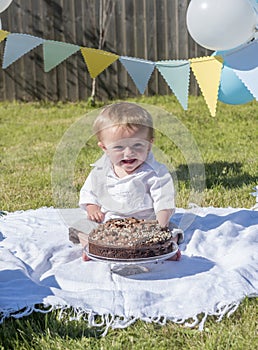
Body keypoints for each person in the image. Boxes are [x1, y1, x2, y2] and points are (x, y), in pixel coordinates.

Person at [70, 102, 183, 260]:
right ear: (104, 148)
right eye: (119, 148)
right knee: (81, 227)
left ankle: (165, 249)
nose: (129, 153)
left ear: (149, 145)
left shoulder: (155, 173)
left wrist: (160, 225)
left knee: (172, 230)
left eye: (137, 145)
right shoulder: (101, 171)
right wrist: (92, 208)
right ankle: (93, 247)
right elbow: (89, 193)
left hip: (147, 225)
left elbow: (164, 201)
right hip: (109, 226)